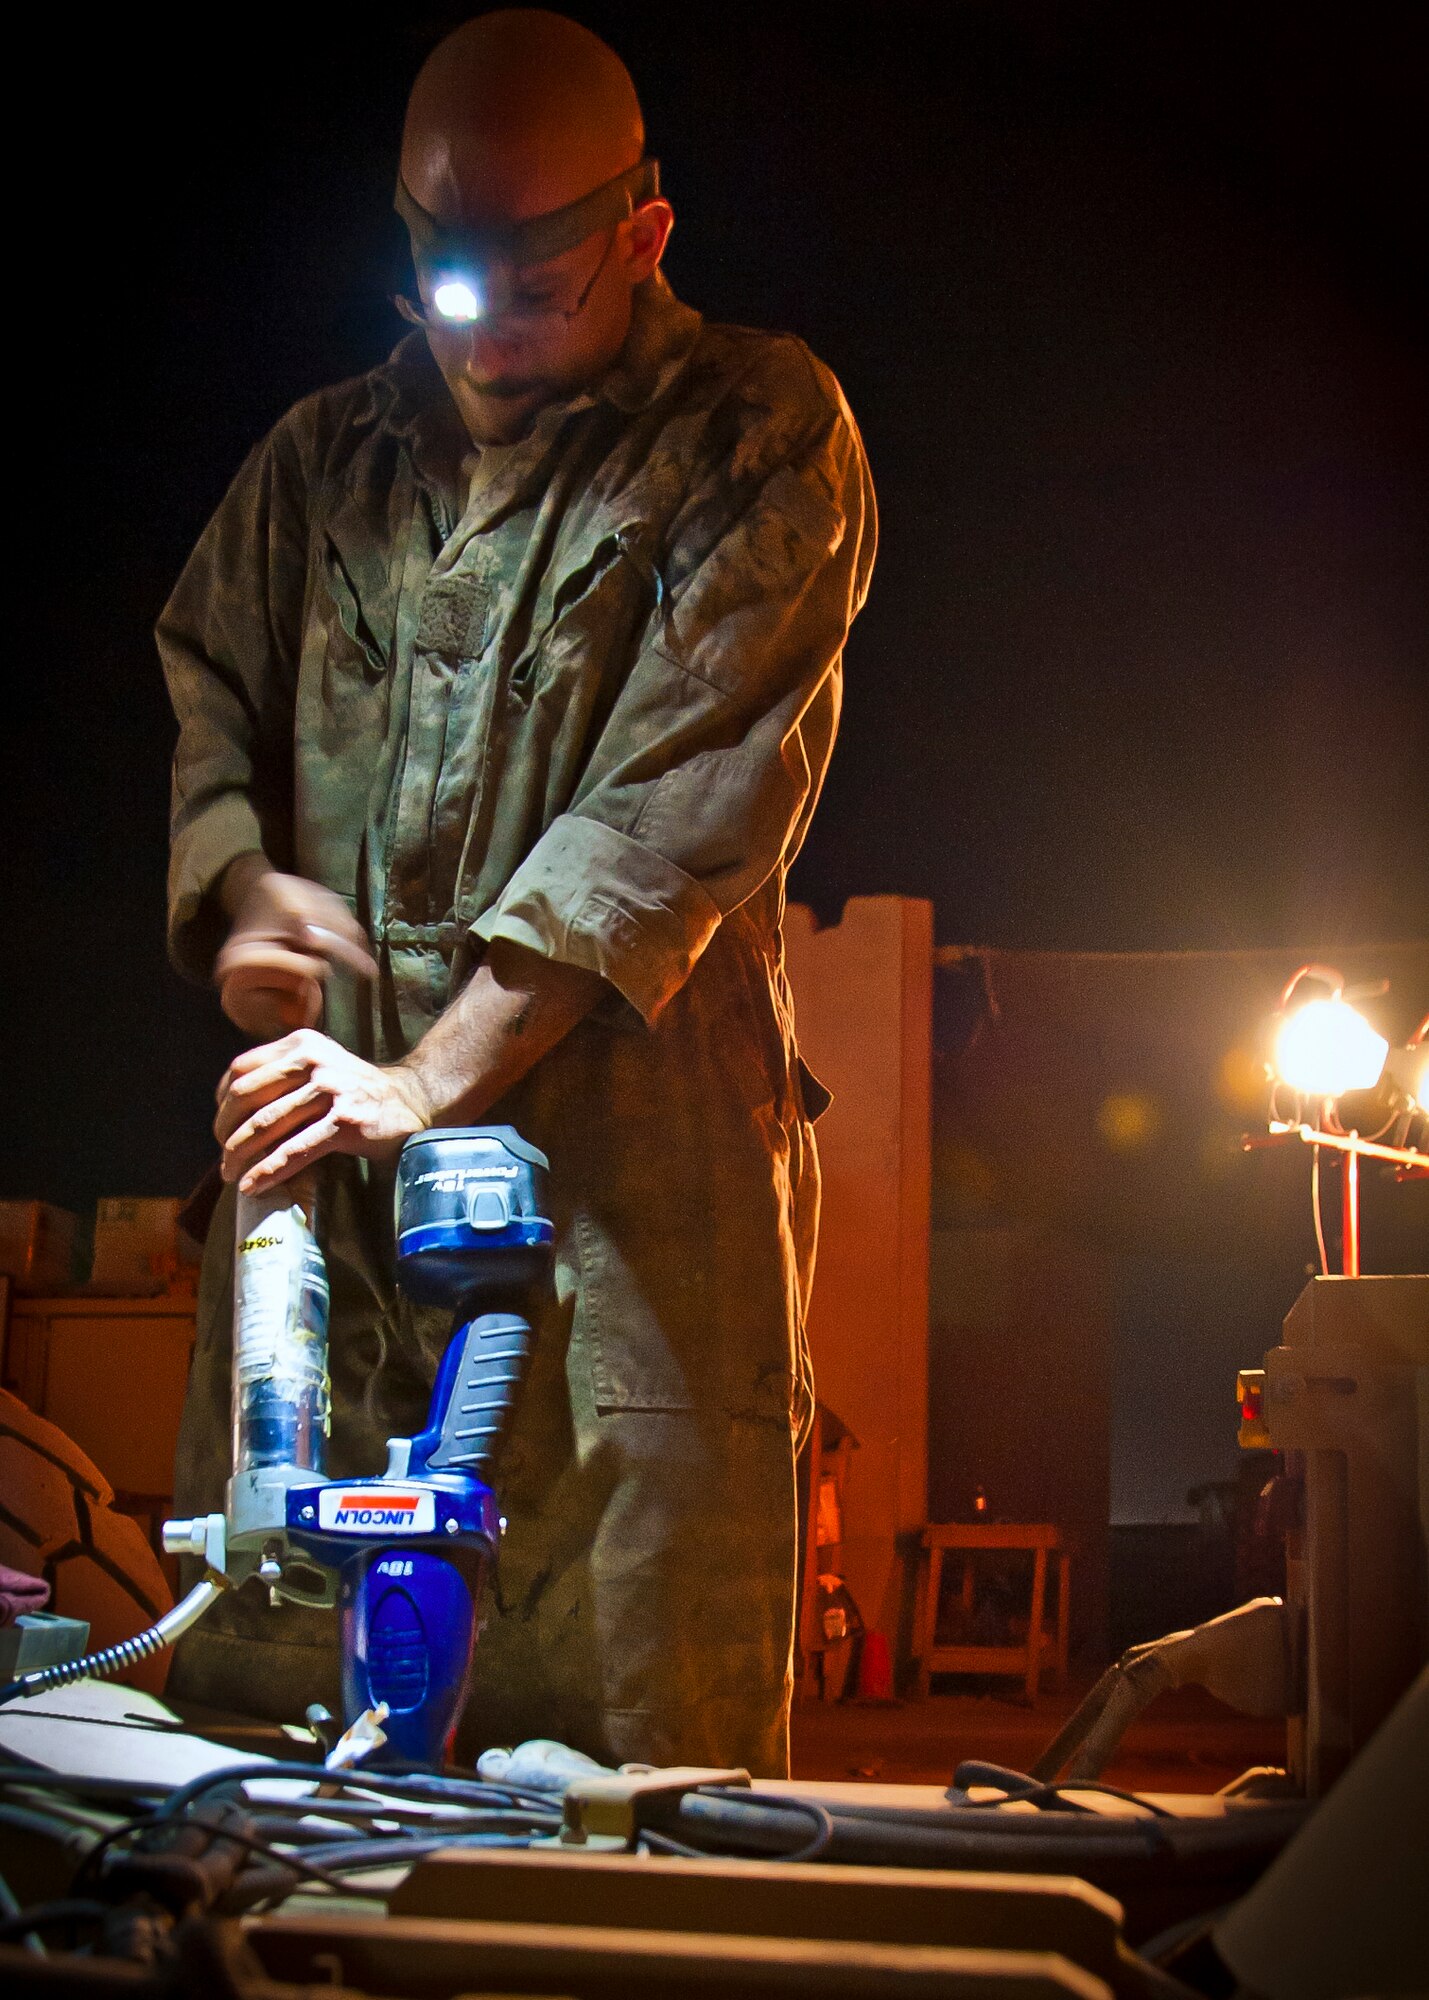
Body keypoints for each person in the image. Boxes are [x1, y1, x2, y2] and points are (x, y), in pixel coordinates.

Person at [161, 7, 875, 1776]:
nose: (474, 334)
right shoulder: (320, 464)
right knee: (271, 1765)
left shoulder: (759, 434)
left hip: (630, 1223)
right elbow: (208, 701)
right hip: (319, 1225)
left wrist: (422, 1081)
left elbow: (664, 811)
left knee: (632, 1775)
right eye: (436, 279)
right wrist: (241, 881)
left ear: (641, 230)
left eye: (531, 287)